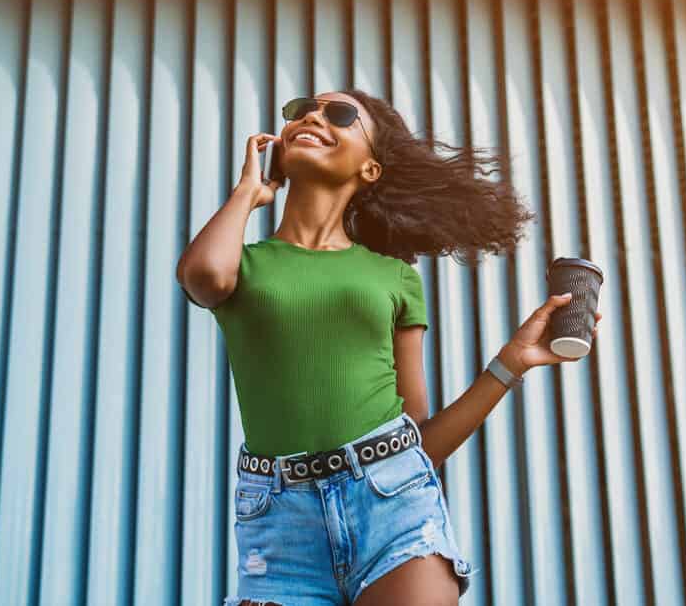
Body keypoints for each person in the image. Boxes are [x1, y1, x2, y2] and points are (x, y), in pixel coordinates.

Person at [176, 90, 602, 606]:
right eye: (301, 109)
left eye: (339, 115)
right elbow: (202, 278)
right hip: (280, 528)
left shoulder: (394, 276)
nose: (311, 116)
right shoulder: (244, 263)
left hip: (392, 505)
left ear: (371, 170)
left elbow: (419, 441)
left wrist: (511, 361)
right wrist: (247, 192)